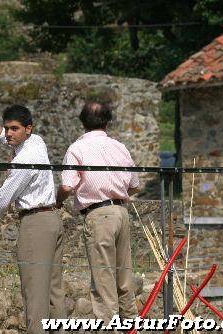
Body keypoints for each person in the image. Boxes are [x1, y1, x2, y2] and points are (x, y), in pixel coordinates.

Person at [0, 105, 66, 334]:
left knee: (35, 293)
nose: (9, 133)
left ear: (28, 128)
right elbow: (1, 137)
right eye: (7, 128)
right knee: (54, 291)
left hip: (36, 224)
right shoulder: (35, 141)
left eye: (14, 129)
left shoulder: (27, 156)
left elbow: (5, 195)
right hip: (52, 220)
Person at [56, 101, 140, 323]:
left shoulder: (77, 148)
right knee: (124, 278)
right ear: (108, 121)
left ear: (82, 122)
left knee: (103, 280)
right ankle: (131, 325)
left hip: (98, 213)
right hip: (121, 212)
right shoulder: (120, 147)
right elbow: (134, 184)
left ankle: (110, 326)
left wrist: (57, 202)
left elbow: (67, 186)